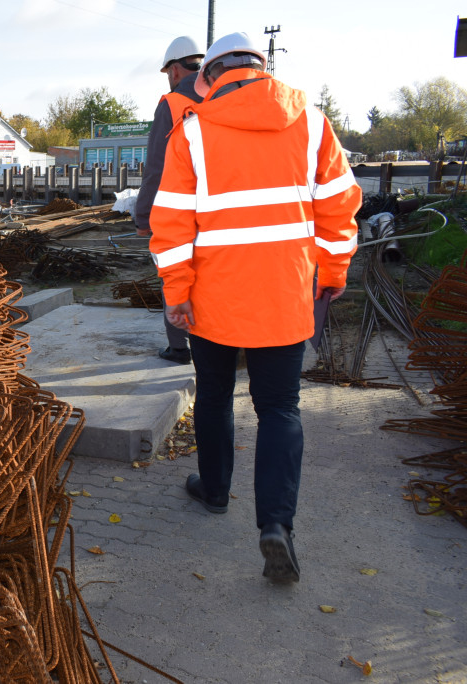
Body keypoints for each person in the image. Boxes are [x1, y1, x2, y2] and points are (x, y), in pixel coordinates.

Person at [148, 32, 361, 583]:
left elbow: (171, 225)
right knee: (280, 410)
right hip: (287, 297)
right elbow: (340, 210)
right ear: (261, 70)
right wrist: (333, 275)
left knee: (215, 395)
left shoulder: (191, 133)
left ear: (212, 77)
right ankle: (276, 528)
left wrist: (176, 294)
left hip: (212, 301)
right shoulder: (313, 124)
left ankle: (215, 490)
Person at [134, 36, 205, 365]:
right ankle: (219, 343)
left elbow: (157, 167)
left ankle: (179, 347)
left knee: (176, 273)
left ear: (176, 69)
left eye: (167, 73)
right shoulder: (223, 96)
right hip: (220, 210)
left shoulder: (173, 103)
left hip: (180, 209)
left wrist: (143, 216)